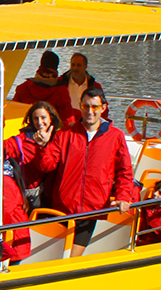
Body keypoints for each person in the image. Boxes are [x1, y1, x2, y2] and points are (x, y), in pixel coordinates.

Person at [36, 86, 135, 254]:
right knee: (54, 256)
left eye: (95, 107)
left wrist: (123, 196)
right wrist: (44, 145)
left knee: (73, 259)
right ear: (80, 106)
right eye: (86, 106)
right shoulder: (65, 133)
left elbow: (124, 171)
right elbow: (47, 165)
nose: (90, 111)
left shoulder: (115, 136)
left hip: (91, 210)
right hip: (61, 208)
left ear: (103, 108)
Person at [4, 101, 59, 210]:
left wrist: (44, 146)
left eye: (43, 117)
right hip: (31, 197)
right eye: (36, 118)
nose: (40, 122)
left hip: (54, 196)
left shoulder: (59, 138)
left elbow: (48, 167)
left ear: (51, 118)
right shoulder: (22, 140)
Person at [13, 51, 76, 122]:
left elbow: (13, 111)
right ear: (56, 67)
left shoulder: (23, 87)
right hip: (52, 131)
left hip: (27, 129)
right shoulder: (61, 91)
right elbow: (68, 120)